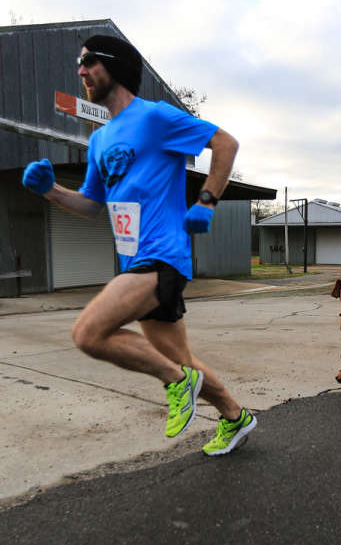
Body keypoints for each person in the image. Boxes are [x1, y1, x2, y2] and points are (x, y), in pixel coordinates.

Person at [21, 35, 256, 456]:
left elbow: (225, 144)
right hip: (135, 260)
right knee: (183, 361)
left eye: (89, 61)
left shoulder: (155, 117)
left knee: (88, 333)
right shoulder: (98, 140)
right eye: (80, 64)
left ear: (115, 66)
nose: (81, 71)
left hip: (161, 255)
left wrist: (206, 201)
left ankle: (177, 384)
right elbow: (92, 205)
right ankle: (236, 417)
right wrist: (50, 190)